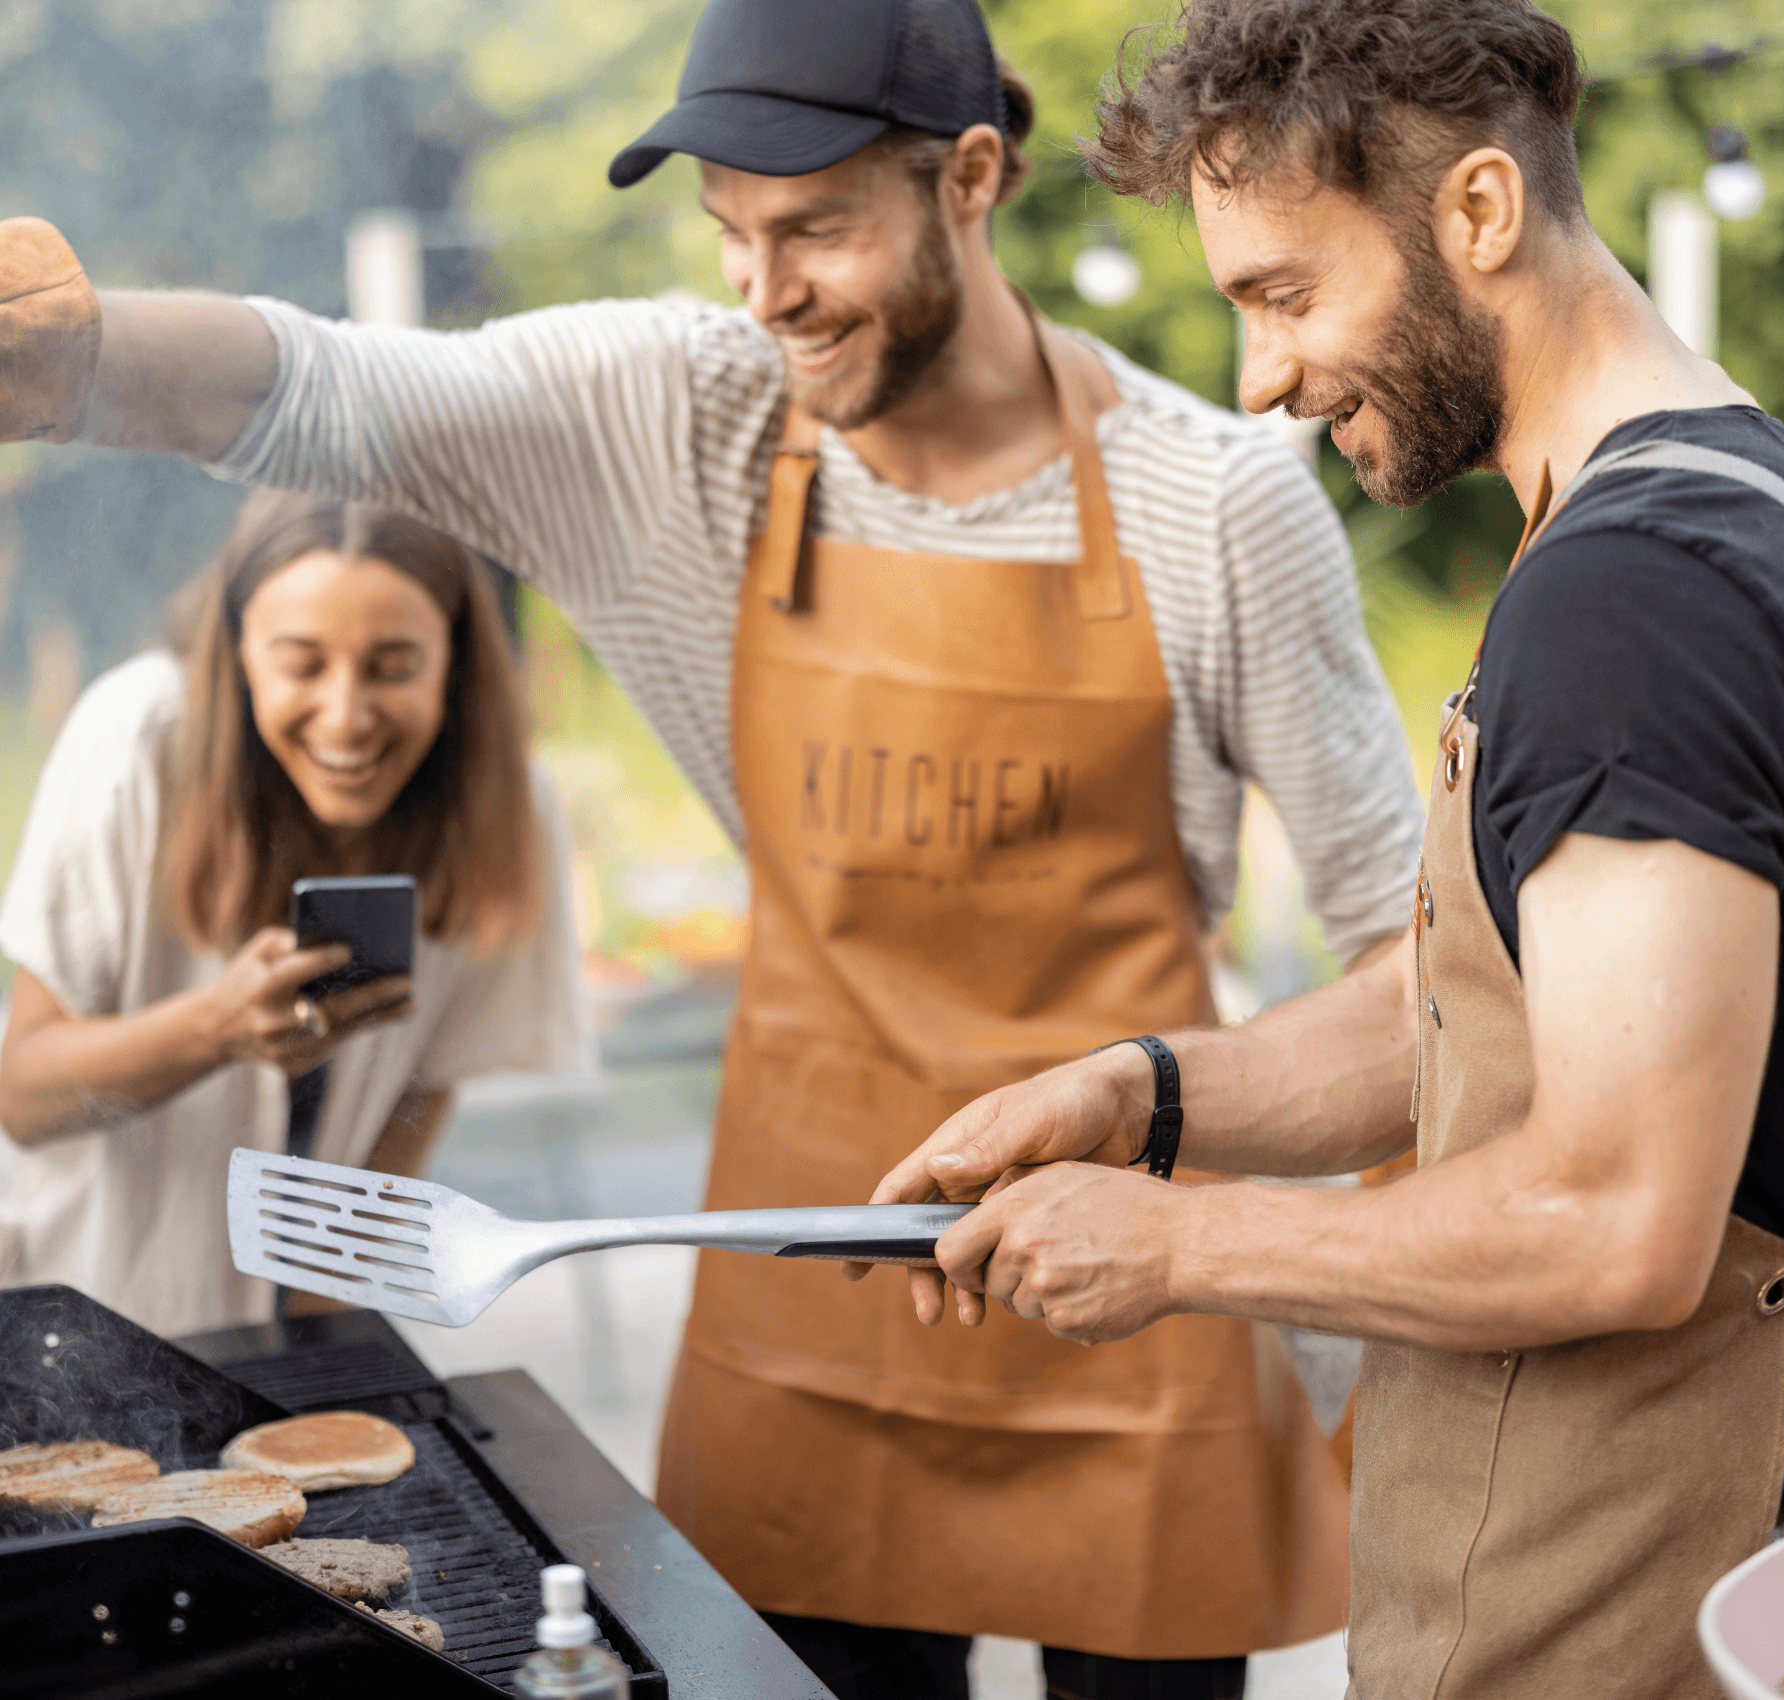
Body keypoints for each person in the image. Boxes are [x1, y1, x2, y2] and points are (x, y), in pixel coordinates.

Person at [0, 0, 1426, 1689]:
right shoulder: (688, 422)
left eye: (816, 224)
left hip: (1123, 1301)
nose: (765, 288)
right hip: (802, 1303)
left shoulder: (1214, 504)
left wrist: (1357, 1306)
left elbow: (1405, 950)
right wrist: (82, 362)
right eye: (731, 232)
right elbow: (341, 391)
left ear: (970, 178)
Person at [865, 2, 1784, 1696]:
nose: (1265, 379)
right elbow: (1477, 1004)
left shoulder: (1637, 599)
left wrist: (1181, 1248)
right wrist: (1143, 1097)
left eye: (1287, 295)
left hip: (1636, 1595)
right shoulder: (1718, 497)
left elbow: (1617, 1216)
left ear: (1482, 214)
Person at [0, 489, 591, 1340]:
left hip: (290, 1329)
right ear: (237, 653)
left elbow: (422, 1092)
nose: (346, 715)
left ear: (454, 664)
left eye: (393, 667)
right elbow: (23, 1098)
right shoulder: (138, 738)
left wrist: (324, 1322)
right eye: (301, 663)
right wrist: (214, 1028)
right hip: (87, 1319)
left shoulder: (508, 808)